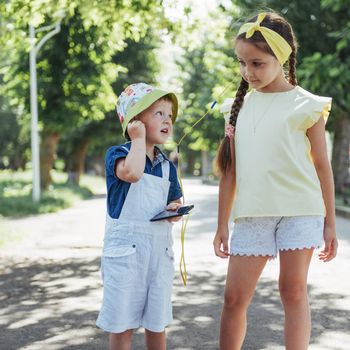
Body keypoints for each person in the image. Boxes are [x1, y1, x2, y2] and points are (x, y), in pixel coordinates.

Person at [213, 12, 338, 350]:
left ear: (280, 58)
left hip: (301, 211)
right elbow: (230, 171)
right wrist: (221, 223)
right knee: (234, 298)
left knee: (293, 291)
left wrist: (330, 222)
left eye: (257, 63)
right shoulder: (236, 109)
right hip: (252, 214)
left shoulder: (307, 105)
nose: (247, 72)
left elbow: (322, 166)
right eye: (242, 63)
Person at [96, 82, 183, 350]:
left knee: (157, 323)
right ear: (136, 121)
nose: (167, 119)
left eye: (169, 115)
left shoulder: (167, 165)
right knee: (123, 323)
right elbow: (132, 174)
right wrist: (137, 140)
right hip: (126, 258)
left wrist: (174, 210)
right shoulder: (119, 154)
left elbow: (175, 200)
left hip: (159, 255)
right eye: (158, 113)